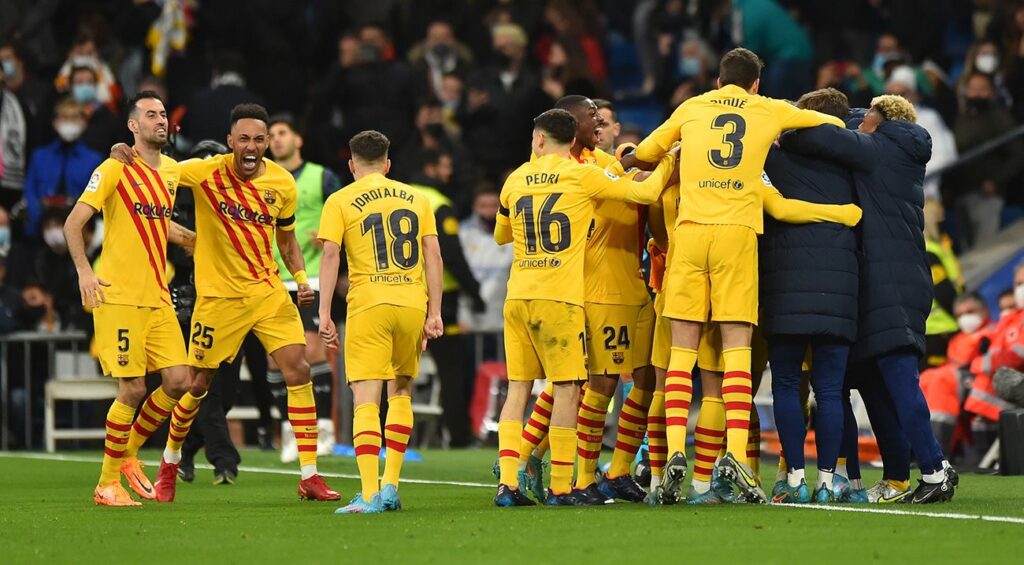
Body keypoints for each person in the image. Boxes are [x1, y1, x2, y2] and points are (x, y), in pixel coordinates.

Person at [625, 47, 845, 504]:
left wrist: (669, 151)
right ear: (755, 84)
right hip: (737, 234)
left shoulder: (691, 106)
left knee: (682, 353)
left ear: (717, 79)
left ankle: (672, 462)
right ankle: (727, 462)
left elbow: (644, 153)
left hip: (689, 234)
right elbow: (830, 123)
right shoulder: (769, 109)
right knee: (735, 351)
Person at [110, 103, 341, 503]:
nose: (252, 147)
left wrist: (301, 279)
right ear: (231, 142)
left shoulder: (283, 183)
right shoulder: (203, 171)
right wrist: (122, 151)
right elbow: (156, 168)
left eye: (259, 140)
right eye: (244, 139)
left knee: (299, 369)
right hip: (218, 299)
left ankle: (309, 475)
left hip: (268, 291)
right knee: (197, 385)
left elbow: (286, 240)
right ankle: (169, 460)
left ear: (267, 143)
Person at [493, 108, 675, 507]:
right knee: (568, 390)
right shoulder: (582, 175)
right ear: (572, 140)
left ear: (539, 140)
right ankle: (563, 486)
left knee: (518, 390)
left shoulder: (515, 179)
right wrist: (670, 160)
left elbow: (500, 234)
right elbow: (644, 194)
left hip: (518, 293)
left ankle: (507, 483)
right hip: (562, 296)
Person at [780, 94, 957, 503]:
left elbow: (825, 139)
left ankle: (934, 468)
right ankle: (896, 478)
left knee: (899, 381)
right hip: (892, 278)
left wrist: (782, 135)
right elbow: (851, 121)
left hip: (890, 282)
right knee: (878, 387)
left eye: (868, 117)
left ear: (881, 121)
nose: (860, 123)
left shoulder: (880, 150)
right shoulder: (894, 145)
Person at [63, 91, 194, 506]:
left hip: (157, 296)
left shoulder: (172, 171)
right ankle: (106, 483)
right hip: (117, 295)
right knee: (133, 389)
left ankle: (129, 454)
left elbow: (157, 222)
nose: (160, 120)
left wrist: (193, 239)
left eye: (163, 114)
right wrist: (86, 271)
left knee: (179, 381)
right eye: (150, 115)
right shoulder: (114, 167)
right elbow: (73, 224)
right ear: (133, 127)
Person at [316, 130, 444, 514]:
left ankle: (370, 493)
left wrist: (323, 312)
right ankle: (391, 486)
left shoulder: (339, 199)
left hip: (369, 303)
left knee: (366, 399)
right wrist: (434, 311)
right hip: (411, 303)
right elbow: (433, 256)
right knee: (401, 391)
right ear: (388, 164)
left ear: (352, 165)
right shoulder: (417, 198)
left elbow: (330, 256)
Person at [761, 88, 860, 504]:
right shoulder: (855, 162)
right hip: (839, 286)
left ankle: (795, 479)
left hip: (784, 284)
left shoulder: (769, 158)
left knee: (785, 383)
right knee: (832, 389)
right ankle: (828, 480)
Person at [268, 117, 342, 459]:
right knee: (276, 360)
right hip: (270, 278)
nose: (276, 140)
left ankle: (322, 430)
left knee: (312, 353)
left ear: (298, 139)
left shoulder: (321, 176)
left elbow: (343, 216)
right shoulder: (263, 177)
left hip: (310, 278)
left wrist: (328, 235)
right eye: (272, 136)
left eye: (282, 133)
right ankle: (289, 435)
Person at [408, 148, 485, 447]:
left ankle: (381, 437)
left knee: (394, 370)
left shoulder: (396, 196)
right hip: (440, 299)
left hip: (400, 291)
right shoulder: (438, 203)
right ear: (430, 168)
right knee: (451, 370)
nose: (448, 172)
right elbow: (450, 254)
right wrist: (474, 291)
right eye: (443, 165)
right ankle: (458, 435)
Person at [951, 71, 1024, 249]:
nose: (976, 93)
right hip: (961, 192)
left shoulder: (998, 116)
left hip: (986, 194)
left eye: (982, 89)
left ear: (991, 92)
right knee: (966, 249)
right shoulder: (962, 117)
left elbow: (1018, 154)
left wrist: (995, 180)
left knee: (983, 249)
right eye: (972, 88)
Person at [919, 292, 994, 459]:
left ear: (984, 310)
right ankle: (920, 449)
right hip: (959, 388)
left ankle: (937, 453)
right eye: (960, 315)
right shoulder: (957, 340)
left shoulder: (993, 333)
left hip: (982, 383)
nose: (965, 318)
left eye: (970, 311)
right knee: (926, 378)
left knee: (941, 379)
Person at [22, 98, 102, 236]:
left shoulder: (94, 160)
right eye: (64, 118)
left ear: (84, 123)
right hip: (40, 229)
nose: (69, 122)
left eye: (74, 118)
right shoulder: (40, 156)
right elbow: (30, 190)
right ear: (55, 122)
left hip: (78, 231)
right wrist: (39, 216)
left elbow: (95, 200)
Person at [459, 183, 513, 334]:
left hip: (503, 318)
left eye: (493, 205)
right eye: (483, 206)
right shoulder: (463, 233)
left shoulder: (513, 234)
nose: (489, 211)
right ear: (474, 207)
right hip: (469, 318)